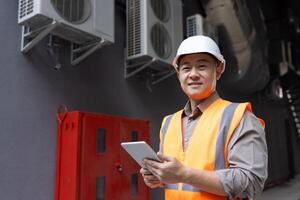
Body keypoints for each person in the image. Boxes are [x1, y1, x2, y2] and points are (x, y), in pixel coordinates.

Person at [140, 35, 268, 200]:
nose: (193, 74)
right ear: (178, 73)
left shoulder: (239, 117)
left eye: (202, 66)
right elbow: (177, 181)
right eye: (186, 68)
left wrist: (184, 174)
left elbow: (251, 184)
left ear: (219, 70)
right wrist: (159, 177)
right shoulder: (168, 122)